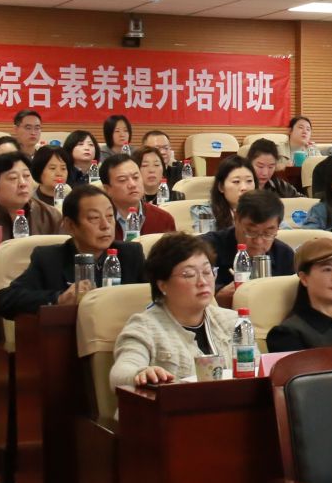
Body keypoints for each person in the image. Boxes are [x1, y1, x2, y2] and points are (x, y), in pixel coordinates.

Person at [0, 184, 146, 319]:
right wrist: (59, 298)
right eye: (94, 218)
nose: (106, 225)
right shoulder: (49, 259)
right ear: (70, 225)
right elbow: (6, 300)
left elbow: (153, 296)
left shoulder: (131, 254)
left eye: (110, 216)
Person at [112, 235, 239, 386]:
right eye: (189, 274)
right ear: (162, 285)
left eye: (207, 271)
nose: (203, 282)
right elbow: (120, 374)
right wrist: (140, 373)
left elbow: (256, 371)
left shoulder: (232, 321)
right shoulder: (144, 327)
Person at [201, 187, 294, 305]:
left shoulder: (284, 255)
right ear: (236, 218)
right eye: (251, 231)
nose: (259, 241)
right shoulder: (205, 248)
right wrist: (217, 296)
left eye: (268, 233)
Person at [101, 151, 176, 240]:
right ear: (107, 189)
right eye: (122, 180)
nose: (132, 184)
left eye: (136, 177)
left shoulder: (164, 219)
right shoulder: (99, 222)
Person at [209, 156, 257, 232]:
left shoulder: (265, 210)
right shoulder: (206, 212)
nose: (244, 188)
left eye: (249, 181)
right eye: (236, 181)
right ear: (221, 187)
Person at [30, 144, 71, 208]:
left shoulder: (73, 200)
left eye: (63, 168)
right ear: (39, 170)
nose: (59, 173)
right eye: (52, 168)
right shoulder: (29, 202)